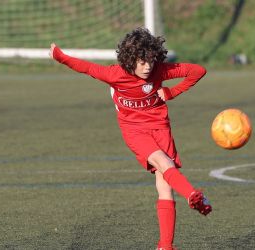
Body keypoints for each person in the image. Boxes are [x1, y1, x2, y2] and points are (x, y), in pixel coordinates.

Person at [49, 27, 211, 250]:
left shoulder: (160, 71)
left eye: (151, 61)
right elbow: (86, 67)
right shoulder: (115, 75)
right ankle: (193, 195)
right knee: (166, 163)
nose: (147, 67)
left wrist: (173, 92)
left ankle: (165, 246)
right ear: (130, 59)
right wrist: (60, 57)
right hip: (134, 130)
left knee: (165, 186)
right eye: (142, 62)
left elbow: (197, 70)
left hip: (160, 126)